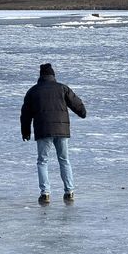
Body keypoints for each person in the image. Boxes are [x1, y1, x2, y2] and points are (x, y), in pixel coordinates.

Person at [21, 63, 87, 205]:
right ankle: (69, 192)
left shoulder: (33, 91)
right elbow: (76, 103)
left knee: (42, 161)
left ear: (40, 76)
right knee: (64, 160)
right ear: (53, 75)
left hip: (43, 130)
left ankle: (45, 194)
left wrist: (25, 132)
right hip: (62, 131)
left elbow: (25, 114)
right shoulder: (62, 88)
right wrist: (82, 112)